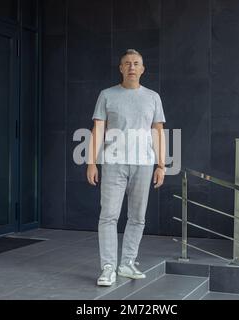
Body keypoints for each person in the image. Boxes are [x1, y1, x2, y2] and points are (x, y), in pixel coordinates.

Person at [86, 49, 167, 287]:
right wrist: (92, 162)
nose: (131, 67)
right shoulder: (107, 95)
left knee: (138, 218)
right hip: (113, 164)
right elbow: (98, 130)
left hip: (144, 164)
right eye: (127, 63)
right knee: (109, 216)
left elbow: (158, 132)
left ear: (143, 69)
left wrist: (161, 165)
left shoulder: (153, 97)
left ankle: (127, 263)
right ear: (121, 68)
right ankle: (108, 267)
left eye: (136, 63)